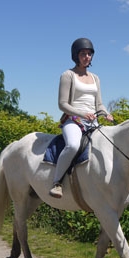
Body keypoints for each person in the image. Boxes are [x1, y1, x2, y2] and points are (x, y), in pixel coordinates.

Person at [49, 37, 113, 198]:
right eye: (83, 54)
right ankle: (57, 182)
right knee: (72, 145)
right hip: (74, 121)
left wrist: (105, 113)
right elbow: (62, 104)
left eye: (89, 54)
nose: (87, 57)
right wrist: (81, 113)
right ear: (76, 55)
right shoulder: (68, 75)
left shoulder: (95, 78)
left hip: (94, 122)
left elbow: (99, 103)